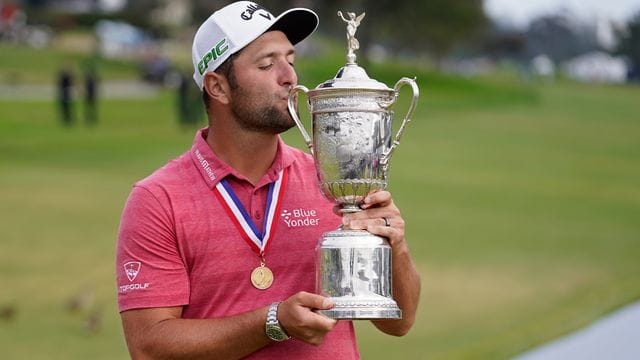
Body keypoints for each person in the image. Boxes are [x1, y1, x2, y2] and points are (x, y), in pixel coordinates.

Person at [115, 2, 421, 359]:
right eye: (266, 64)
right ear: (218, 87)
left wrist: (394, 247)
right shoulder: (158, 199)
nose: (289, 76)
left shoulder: (329, 179)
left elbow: (399, 322)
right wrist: (273, 322)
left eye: (290, 59)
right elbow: (149, 347)